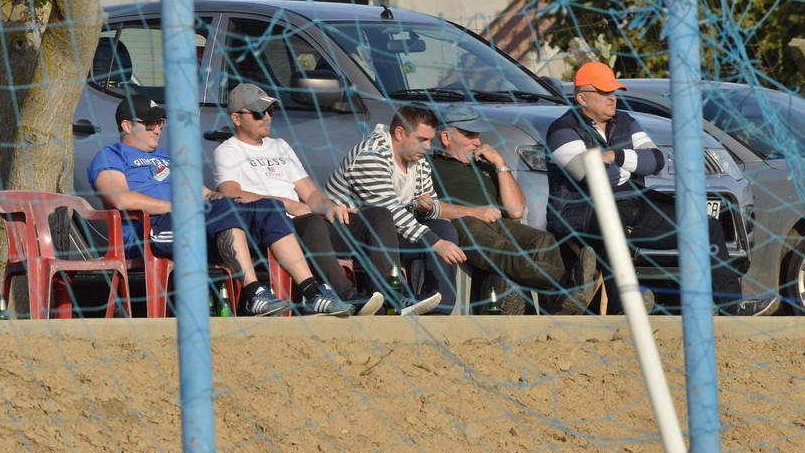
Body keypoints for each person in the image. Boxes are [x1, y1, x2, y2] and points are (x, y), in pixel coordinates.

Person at [546, 61, 780, 316]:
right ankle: (625, 310)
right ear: (582, 98)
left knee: (706, 226)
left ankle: (731, 306)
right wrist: (632, 165)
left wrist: (616, 157)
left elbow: (656, 160)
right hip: (582, 211)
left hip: (632, 202)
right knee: (614, 227)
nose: (612, 97)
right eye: (604, 92)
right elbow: (594, 177)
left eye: (613, 91)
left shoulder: (625, 120)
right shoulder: (563, 130)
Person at [87, 94, 353, 317]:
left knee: (267, 208)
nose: (157, 129)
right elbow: (120, 199)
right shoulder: (111, 155)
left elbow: (205, 194)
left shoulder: (168, 158)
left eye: (160, 122)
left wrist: (233, 202)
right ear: (126, 125)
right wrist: (177, 207)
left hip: (195, 223)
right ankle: (254, 293)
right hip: (151, 229)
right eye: (149, 124)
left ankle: (311, 292)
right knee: (223, 210)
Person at [213, 83, 428, 316]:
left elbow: (310, 193)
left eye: (270, 111)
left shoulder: (280, 146)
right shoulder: (228, 150)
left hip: (308, 225)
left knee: (378, 216)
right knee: (312, 222)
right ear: (236, 118)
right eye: (258, 113)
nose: (266, 117)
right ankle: (347, 296)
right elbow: (231, 193)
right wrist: (289, 204)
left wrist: (330, 206)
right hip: (276, 230)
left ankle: (393, 296)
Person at [430, 103, 597, 314]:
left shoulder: (485, 165)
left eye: (478, 135)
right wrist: (475, 212)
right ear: (446, 138)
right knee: (503, 248)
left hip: (498, 222)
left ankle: (557, 307)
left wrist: (500, 163)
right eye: (469, 135)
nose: (477, 142)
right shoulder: (431, 165)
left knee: (543, 241)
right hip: (462, 223)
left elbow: (516, 211)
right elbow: (427, 206)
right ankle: (567, 283)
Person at [325, 105, 466, 315]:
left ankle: (439, 309)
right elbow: (389, 209)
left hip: (387, 232)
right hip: (344, 231)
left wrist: (425, 209)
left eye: (430, 140)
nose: (428, 147)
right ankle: (392, 300)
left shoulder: (418, 161)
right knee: (385, 218)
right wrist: (434, 242)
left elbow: (434, 204)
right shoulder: (371, 155)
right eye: (422, 139)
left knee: (443, 229)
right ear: (400, 133)